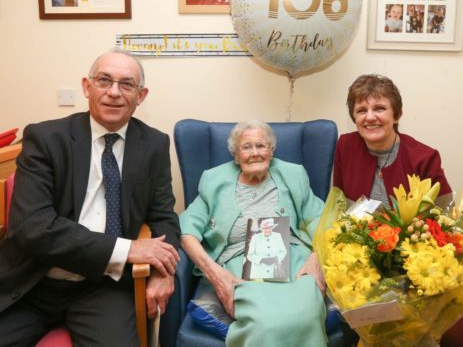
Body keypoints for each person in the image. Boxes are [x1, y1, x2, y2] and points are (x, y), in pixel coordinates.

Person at [0, 51, 181, 346]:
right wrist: (127, 250)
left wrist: (164, 271)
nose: (113, 93)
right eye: (104, 80)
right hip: (32, 280)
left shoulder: (154, 144)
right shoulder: (46, 139)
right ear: (87, 86)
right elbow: (31, 228)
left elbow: (164, 217)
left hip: (103, 287)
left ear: (141, 95)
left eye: (126, 84)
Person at [333, 74, 463, 347]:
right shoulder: (345, 146)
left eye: (379, 108)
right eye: (361, 110)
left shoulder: (424, 156)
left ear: (397, 114)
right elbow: (341, 208)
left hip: (421, 260)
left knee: (445, 316)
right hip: (367, 262)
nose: (370, 117)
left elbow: (449, 222)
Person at [180, 119, 327, 346]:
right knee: (264, 322)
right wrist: (216, 274)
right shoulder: (213, 180)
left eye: (261, 145)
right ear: (236, 156)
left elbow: (321, 218)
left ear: (272, 150)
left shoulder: (293, 174)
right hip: (241, 265)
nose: (255, 153)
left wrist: (316, 258)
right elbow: (186, 230)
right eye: (246, 147)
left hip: (294, 260)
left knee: (306, 315)